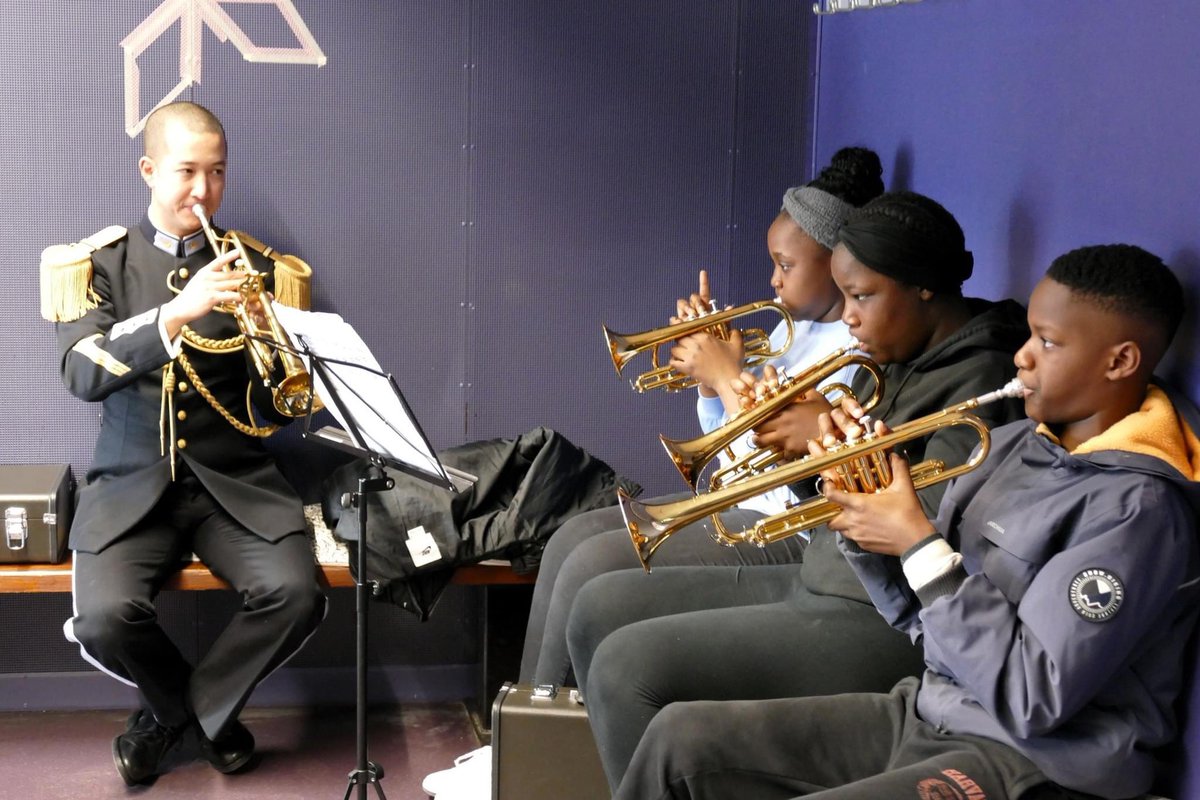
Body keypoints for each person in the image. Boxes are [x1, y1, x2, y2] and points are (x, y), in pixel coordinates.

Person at [613, 243, 1200, 800]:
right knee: (678, 742)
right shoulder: (1010, 444)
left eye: (1047, 342)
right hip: (933, 710)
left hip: (1041, 765)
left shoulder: (1139, 512)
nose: (1022, 356)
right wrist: (862, 510)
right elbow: (921, 621)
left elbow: (1032, 697)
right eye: (1029, 335)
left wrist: (918, 543)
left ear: (1120, 360)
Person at [565, 190, 1029, 789]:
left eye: (862, 297)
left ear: (921, 287)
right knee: (599, 609)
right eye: (846, 297)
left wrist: (828, 444)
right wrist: (803, 445)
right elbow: (827, 496)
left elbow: (926, 528)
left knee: (628, 668)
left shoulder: (984, 378)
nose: (850, 316)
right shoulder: (901, 352)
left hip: (885, 617)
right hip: (826, 573)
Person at [518, 147, 885, 688]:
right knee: (567, 539)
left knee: (590, 565)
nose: (774, 280)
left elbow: (786, 475)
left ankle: (543, 723)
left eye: (785, 266)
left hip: (784, 527)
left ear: (838, 264)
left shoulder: (856, 350)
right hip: (738, 500)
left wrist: (727, 377)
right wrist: (711, 382)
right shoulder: (794, 330)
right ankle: (525, 712)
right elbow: (726, 453)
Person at [42, 101, 326, 786]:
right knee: (103, 619)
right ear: (149, 170)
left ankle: (171, 720)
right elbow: (82, 373)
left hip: (235, 483)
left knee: (297, 594)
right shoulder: (96, 264)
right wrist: (175, 313)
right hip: (133, 484)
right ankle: (203, 720)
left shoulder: (259, 268)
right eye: (187, 172)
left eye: (217, 173)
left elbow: (276, 410)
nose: (204, 191)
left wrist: (273, 350)